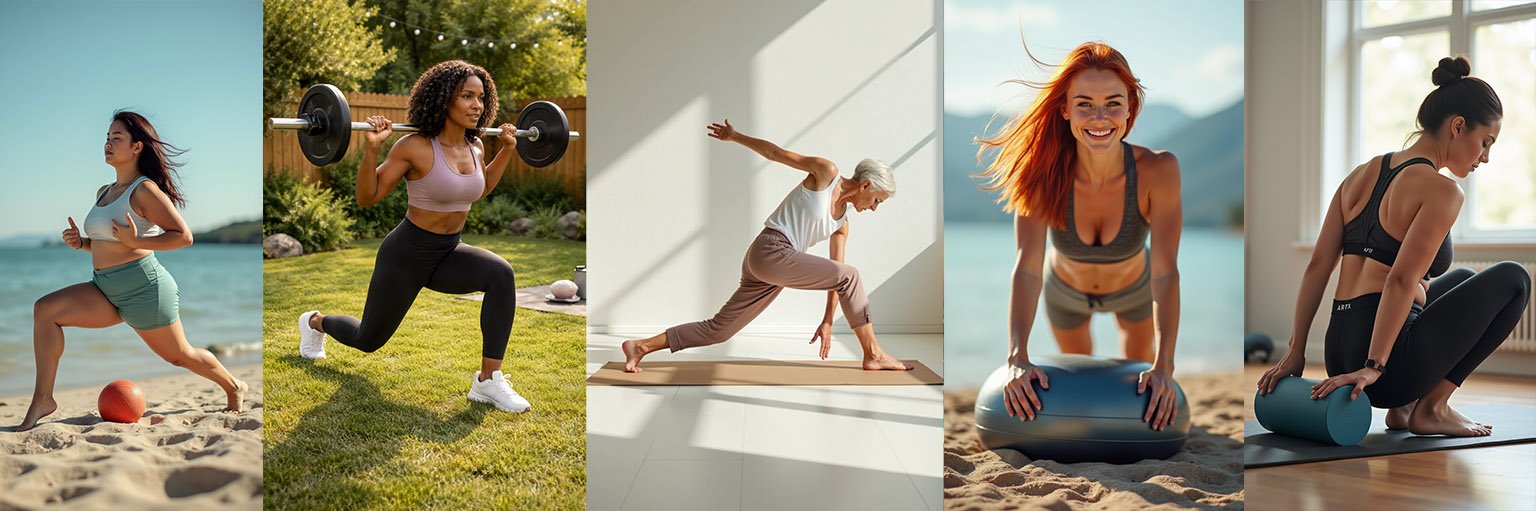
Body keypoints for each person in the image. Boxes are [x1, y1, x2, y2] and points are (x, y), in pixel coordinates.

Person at [1258, 56, 1529, 437]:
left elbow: (1319, 266)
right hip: (1385, 368)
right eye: (1485, 143)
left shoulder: (1359, 174)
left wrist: (1296, 350)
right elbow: (1400, 279)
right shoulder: (1442, 190)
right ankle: (1432, 408)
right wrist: (1375, 366)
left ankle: (1403, 409)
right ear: (1457, 126)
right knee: (1515, 280)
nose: (1485, 157)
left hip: (1338, 352)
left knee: (1464, 277)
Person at [295, 60, 531, 413]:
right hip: (406, 254)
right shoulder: (414, 146)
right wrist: (373, 147)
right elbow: (367, 197)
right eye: (466, 96)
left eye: (480, 98)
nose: (476, 106)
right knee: (368, 339)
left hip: (448, 252)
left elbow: (477, 191)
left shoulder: (476, 146)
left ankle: (488, 380)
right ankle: (315, 322)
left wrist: (508, 151)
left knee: (501, 274)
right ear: (443, 100)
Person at [977, 42, 1184, 431]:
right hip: (1065, 294)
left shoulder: (1159, 170)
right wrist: (1017, 355)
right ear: (1065, 109)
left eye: (1113, 103)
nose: (1100, 117)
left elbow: (1165, 272)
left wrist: (1165, 365)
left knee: (1138, 385)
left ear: (1130, 108)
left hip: (1135, 290)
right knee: (1083, 391)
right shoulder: (1039, 173)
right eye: (1085, 103)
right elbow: (1027, 269)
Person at [618, 118, 913, 373]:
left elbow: (838, 279)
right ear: (866, 186)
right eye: (877, 201)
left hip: (774, 266)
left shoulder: (842, 224)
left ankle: (640, 346)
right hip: (771, 250)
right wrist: (734, 137)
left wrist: (827, 322)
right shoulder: (827, 172)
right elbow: (776, 153)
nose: (874, 208)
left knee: (720, 330)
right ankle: (873, 354)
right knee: (852, 275)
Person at [17, 111, 248, 431]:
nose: (108, 144)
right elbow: (108, 245)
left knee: (180, 355)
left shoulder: (144, 190)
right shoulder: (104, 191)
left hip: (144, 289)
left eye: (117, 139)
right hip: (104, 287)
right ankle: (43, 398)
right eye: (107, 139)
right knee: (44, 310)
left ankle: (234, 386)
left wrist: (138, 239)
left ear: (137, 147)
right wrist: (81, 242)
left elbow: (183, 236)